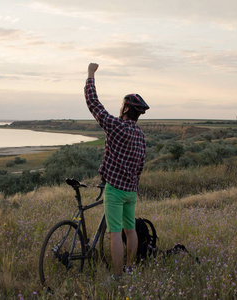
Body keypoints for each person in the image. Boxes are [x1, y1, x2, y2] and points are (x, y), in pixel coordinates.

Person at [84, 63, 149, 280]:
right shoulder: (140, 135)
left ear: (127, 109)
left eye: (122, 105)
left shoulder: (116, 126)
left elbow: (94, 104)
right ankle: (129, 269)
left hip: (115, 189)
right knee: (129, 231)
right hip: (131, 191)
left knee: (114, 235)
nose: (120, 108)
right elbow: (140, 165)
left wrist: (90, 74)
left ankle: (117, 276)